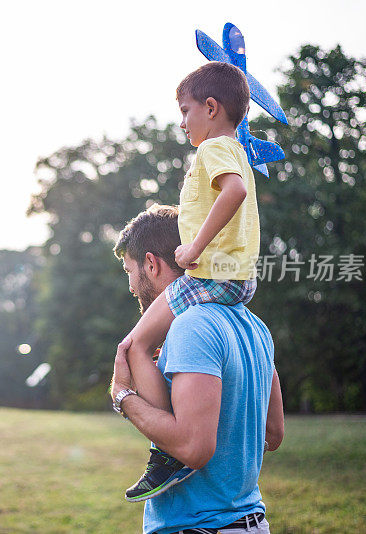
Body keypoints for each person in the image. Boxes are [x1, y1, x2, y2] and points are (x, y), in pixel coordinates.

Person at [119, 61, 263, 501]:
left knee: (133, 346)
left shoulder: (213, 149)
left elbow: (234, 192)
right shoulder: (234, 147)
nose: (182, 122)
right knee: (151, 343)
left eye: (186, 111)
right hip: (238, 280)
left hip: (213, 275)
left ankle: (167, 452)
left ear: (212, 108)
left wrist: (193, 250)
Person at [110, 204, 284, 533]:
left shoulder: (191, 327)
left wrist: (123, 397)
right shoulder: (255, 326)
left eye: (129, 271)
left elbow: (193, 448)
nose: (131, 286)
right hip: (251, 524)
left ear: (151, 264)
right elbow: (272, 435)